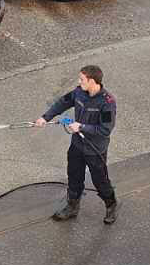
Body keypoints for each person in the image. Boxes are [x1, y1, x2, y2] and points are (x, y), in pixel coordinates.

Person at [33, 65, 118, 225]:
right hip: (77, 146)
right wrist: (45, 117)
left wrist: (81, 127)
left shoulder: (107, 103)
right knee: (74, 176)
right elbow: (62, 103)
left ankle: (111, 204)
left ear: (92, 81)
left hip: (95, 150)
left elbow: (105, 130)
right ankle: (72, 206)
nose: (79, 82)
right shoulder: (79, 92)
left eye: (82, 79)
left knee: (100, 180)